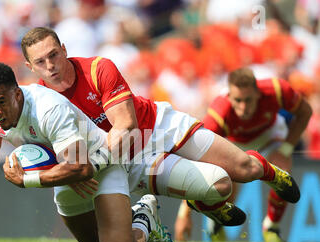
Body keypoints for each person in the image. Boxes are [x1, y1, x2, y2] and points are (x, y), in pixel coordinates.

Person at [20, 27, 300, 228]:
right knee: (221, 185)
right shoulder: (42, 102)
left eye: (54, 55)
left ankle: (272, 173)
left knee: (244, 168)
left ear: (65, 50)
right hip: (133, 160)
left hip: (158, 127)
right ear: (30, 67)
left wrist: (88, 167)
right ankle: (206, 204)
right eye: (40, 62)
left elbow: (126, 124)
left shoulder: (98, 69)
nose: (51, 65)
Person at [0, 62, 178, 242]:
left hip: (101, 163)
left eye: (0, 103)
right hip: (64, 174)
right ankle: (126, 222)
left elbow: (82, 167)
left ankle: (144, 220)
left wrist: (28, 179)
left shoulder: (48, 108)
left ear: (17, 94)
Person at [175, 68, 312, 242]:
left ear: (258, 93)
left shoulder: (277, 90)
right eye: (238, 100)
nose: (243, 107)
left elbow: (305, 111)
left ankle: (271, 228)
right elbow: (196, 160)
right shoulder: (218, 114)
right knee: (224, 184)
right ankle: (216, 226)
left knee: (282, 169)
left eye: (248, 100)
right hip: (233, 143)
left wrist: (286, 149)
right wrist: (184, 214)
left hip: (269, 135)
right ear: (229, 97)